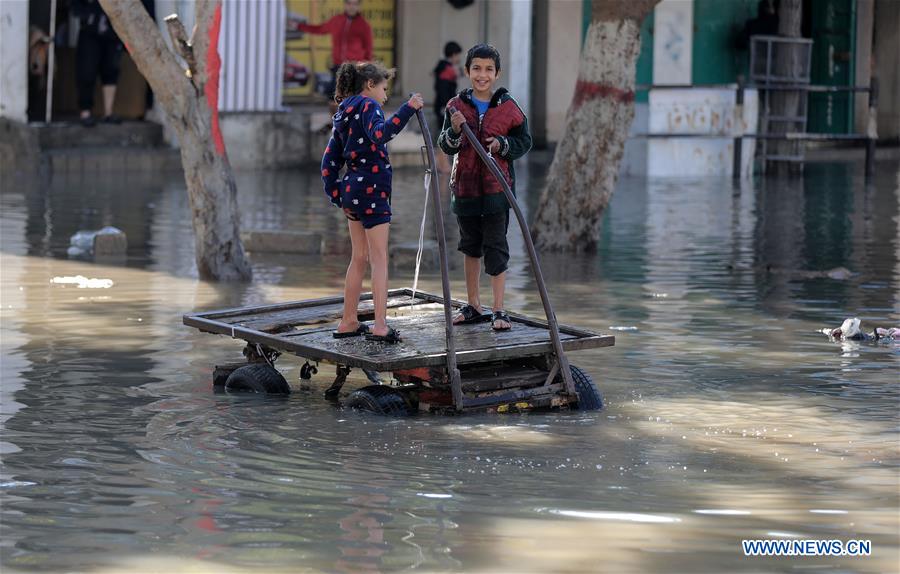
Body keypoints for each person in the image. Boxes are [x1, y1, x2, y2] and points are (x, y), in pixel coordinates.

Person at [321, 62, 424, 344]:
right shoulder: (369, 107)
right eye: (384, 88)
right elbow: (382, 134)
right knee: (379, 260)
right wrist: (409, 108)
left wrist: (337, 195)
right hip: (374, 192)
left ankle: (348, 321)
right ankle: (380, 326)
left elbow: (329, 160)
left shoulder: (343, 112)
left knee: (358, 258)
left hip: (352, 192)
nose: (385, 95)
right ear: (370, 85)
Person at [438, 44, 532, 332]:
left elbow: (524, 142)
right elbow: (445, 143)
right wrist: (454, 131)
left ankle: (499, 309)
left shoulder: (509, 107)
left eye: (488, 69)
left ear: (497, 73)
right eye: (476, 68)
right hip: (465, 191)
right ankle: (474, 305)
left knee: (496, 248)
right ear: (467, 71)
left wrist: (502, 145)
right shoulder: (455, 106)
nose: (482, 75)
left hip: (497, 193)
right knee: (469, 248)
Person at [298, 0, 373, 125]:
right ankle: (337, 122)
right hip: (338, 67)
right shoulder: (337, 20)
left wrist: (367, 69)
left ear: (359, 6)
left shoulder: (364, 25)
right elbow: (320, 29)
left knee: (352, 98)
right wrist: (299, 26)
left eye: (355, 4)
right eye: (349, 3)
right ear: (345, 5)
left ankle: (352, 125)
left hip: (354, 68)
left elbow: (368, 49)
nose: (351, 7)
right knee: (333, 96)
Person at [73, 0, 123, 127]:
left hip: (112, 32)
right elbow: (75, 6)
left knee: (111, 71)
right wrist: (87, 16)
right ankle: (85, 112)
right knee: (86, 71)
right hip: (90, 31)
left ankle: (108, 113)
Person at [433, 41, 462, 173]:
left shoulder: (444, 67)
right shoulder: (447, 69)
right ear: (453, 54)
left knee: (442, 133)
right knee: (443, 134)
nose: (459, 58)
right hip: (444, 106)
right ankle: (443, 164)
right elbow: (444, 90)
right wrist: (448, 106)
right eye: (458, 55)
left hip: (443, 105)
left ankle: (441, 163)